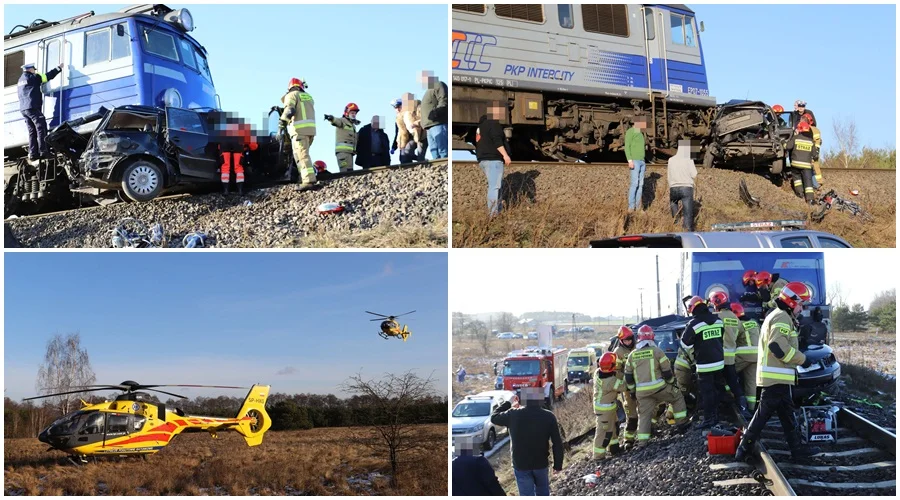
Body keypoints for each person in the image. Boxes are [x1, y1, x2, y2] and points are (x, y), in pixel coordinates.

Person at [735, 283, 820, 461]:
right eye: (801, 304)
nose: (802, 309)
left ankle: (797, 451)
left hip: (779, 377)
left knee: (787, 416)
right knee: (763, 415)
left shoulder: (780, 315)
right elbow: (777, 347)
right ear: (791, 302)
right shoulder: (782, 317)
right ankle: (744, 448)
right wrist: (803, 359)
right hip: (776, 378)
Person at [491, 386, 563, 496]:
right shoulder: (549, 416)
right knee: (543, 492)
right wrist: (557, 465)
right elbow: (557, 443)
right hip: (541, 463)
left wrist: (508, 403)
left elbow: (494, 417)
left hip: (521, 464)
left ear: (522, 399)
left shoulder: (513, 414)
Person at [624, 325, 688, 447]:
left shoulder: (632, 355)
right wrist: (671, 382)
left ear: (639, 338)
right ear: (652, 337)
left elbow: (628, 376)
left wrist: (632, 391)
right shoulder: (657, 351)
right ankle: (682, 424)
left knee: (644, 415)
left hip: (642, 393)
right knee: (677, 396)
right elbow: (667, 371)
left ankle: (642, 442)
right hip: (660, 388)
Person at [681, 296, 726, 430]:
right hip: (719, 362)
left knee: (707, 393)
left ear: (693, 308)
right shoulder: (718, 320)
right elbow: (721, 337)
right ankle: (717, 416)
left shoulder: (694, 324)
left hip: (704, 365)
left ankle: (708, 419)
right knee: (717, 390)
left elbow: (685, 343)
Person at [709, 291, 752, 420]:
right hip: (731, 358)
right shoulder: (734, 317)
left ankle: (720, 410)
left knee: (716, 384)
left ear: (716, 304)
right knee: (734, 383)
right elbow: (740, 335)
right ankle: (743, 409)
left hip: (717, 358)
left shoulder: (715, 317)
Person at [18, 62, 64, 164]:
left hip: (24, 109)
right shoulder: (34, 77)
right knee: (41, 126)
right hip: (32, 107)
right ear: (30, 70)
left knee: (32, 130)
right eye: (34, 69)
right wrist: (58, 68)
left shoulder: (20, 80)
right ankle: (44, 151)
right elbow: (47, 76)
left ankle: (33, 153)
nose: (35, 71)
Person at [279, 78, 317, 188]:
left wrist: (282, 123)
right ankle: (302, 178)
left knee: (302, 155)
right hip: (310, 131)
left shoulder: (291, 95)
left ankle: (308, 181)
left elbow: (290, 110)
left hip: (298, 130)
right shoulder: (308, 97)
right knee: (299, 155)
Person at [475, 101, 511, 217]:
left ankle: (496, 212)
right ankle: (493, 215)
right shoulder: (493, 124)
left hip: (484, 160)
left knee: (494, 186)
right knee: (495, 187)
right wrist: (505, 155)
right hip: (493, 159)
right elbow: (497, 141)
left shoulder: (481, 126)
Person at [592, 352, 623, 460]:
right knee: (604, 432)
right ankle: (598, 456)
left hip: (607, 407)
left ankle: (614, 448)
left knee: (613, 427)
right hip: (605, 409)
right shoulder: (611, 381)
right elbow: (624, 386)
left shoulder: (597, 372)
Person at [613, 326, 639, 450]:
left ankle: (648, 432)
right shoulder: (618, 352)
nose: (628, 342)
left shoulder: (638, 347)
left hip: (641, 385)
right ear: (621, 341)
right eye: (625, 340)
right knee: (632, 414)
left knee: (648, 409)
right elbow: (617, 372)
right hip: (628, 388)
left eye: (629, 339)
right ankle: (629, 440)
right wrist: (627, 380)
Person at [732, 302, 760, 411]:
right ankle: (752, 408)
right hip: (758, 354)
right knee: (751, 383)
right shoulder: (754, 322)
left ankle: (730, 399)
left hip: (743, 354)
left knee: (727, 374)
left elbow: (731, 340)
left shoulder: (737, 324)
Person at [667, 139, 698, 230]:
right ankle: (687, 230)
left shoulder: (671, 160)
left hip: (673, 188)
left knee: (673, 204)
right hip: (686, 188)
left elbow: (669, 176)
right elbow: (694, 174)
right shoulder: (689, 159)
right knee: (688, 213)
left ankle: (676, 224)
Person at [786, 120, 817, 203]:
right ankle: (810, 199)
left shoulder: (795, 138)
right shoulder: (811, 141)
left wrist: (782, 143)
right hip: (807, 166)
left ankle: (800, 194)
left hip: (795, 164)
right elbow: (815, 155)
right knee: (808, 182)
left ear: (799, 130)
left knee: (797, 179)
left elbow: (787, 146)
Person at [420, 70, 448, 160]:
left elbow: (443, 99)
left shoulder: (438, 85)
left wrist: (436, 112)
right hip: (429, 126)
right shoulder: (428, 90)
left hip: (437, 123)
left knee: (443, 149)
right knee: (434, 151)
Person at [325, 103, 360, 173]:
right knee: (345, 172)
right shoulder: (343, 121)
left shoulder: (352, 125)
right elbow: (336, 121)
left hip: (349, 153)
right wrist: (331, 118)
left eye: (355, 113)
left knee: (350, 172)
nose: (354, 114)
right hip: (343, 153)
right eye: (352, 112)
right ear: (347, 113)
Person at [625, 119, 647, 212]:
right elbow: (627, 146)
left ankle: (638, 208)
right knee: (634, 184)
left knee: (640, 185)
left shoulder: (641, 134)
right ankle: (631, 207)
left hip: (642, 161)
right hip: (635, 161)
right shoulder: (630, 131)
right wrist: (630, 160)